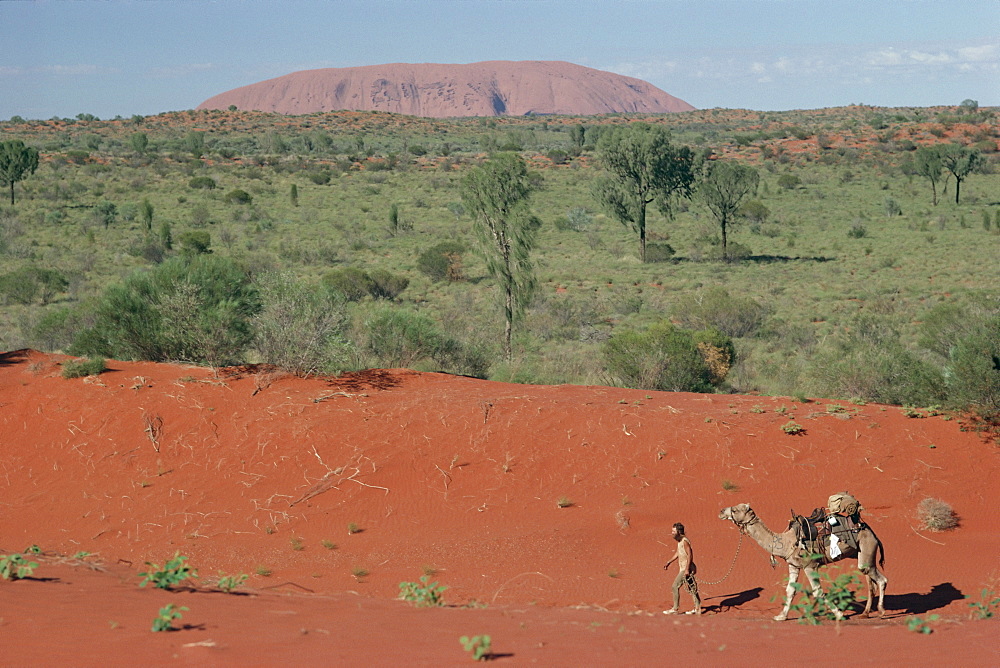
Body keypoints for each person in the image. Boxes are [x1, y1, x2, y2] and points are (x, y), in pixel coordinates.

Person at [663, 522, 701, 615]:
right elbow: (678, 553)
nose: (672, 533)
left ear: (679, 532)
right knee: (692, 588)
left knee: (675, 586)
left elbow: (690, 555)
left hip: (686, 568)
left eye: (673, 531)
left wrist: (687, 569)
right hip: (684, 568)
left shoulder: (684, 541)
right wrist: (669, 562)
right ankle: (697, 608)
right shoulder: (680, 542)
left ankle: (675, 609)